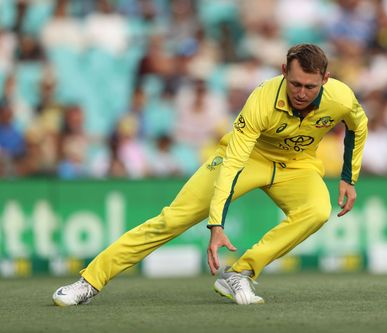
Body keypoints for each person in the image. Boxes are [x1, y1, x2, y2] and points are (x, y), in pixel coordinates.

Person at [52, 44, 368, 306]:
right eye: (295, 83)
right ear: (284, 72)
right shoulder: (261, 100)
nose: (301, 93)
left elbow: (358, 125)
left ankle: (240, 274)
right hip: (246, 159)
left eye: (310, 86)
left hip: (297, 165)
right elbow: (232, 165)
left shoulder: (340, 97)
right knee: (171, 220)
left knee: (316, 211)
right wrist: (216, 224)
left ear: (325, 80)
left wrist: (348, 177)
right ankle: (90, 281)